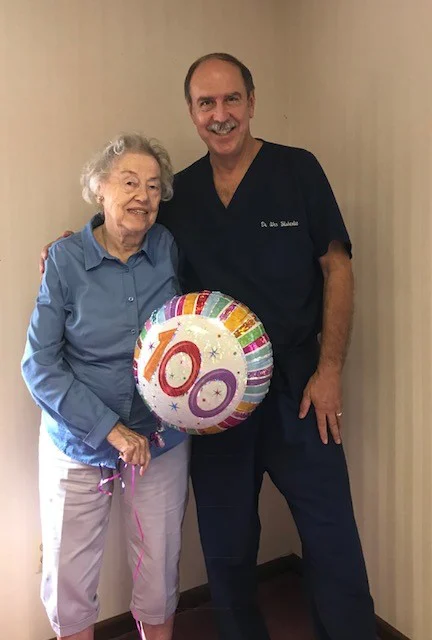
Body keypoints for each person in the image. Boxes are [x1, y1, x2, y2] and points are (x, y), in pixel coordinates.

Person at [40, 54, 377, 640]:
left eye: (231, 100)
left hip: (300, 389)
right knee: (226, 546)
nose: (220, 115)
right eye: (206, 103)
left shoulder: (297, 170)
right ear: (192, 112)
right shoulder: (181, 196)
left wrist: (330, 370)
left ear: (251, 101)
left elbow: (337, 266)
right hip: (211, 402)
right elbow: (125, 227)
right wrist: (69, 244)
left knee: (331, 536)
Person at [23, 134, 189, 640]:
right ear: (100, 189)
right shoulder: (65, 259)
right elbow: (40, 365)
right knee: (69, 577)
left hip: (158, 437)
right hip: (77, 439)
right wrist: (110, 430)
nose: (143, 196)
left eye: (154, 187)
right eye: (129, 182)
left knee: (159, 566)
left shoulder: (168, 247)